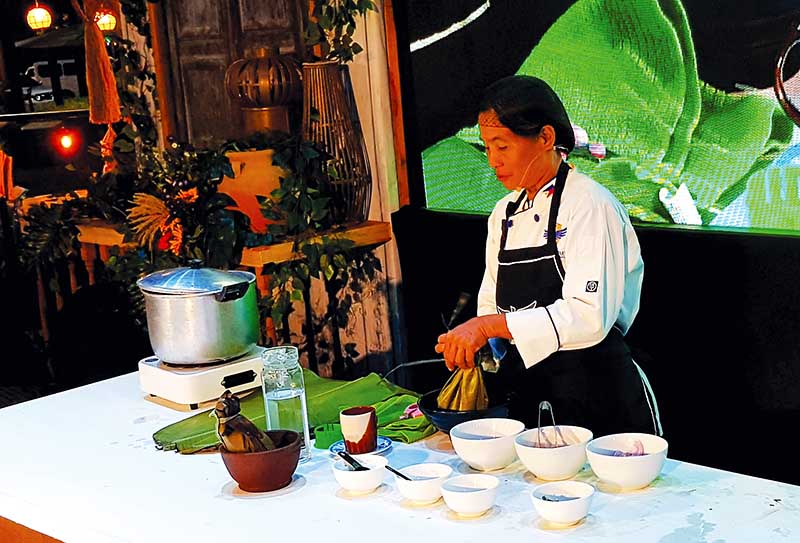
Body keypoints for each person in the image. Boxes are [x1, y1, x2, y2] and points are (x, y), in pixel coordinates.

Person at [434, 75, 659, 436]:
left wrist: (488, 327)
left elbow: (589, 317)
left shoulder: (590, 204)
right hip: (529, 397)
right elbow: (491, 304)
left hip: (599, 397)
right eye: (487, 147)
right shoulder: (503, 213)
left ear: (545, 138)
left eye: (502, 147)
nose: (492, 160)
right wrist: (475, 344)